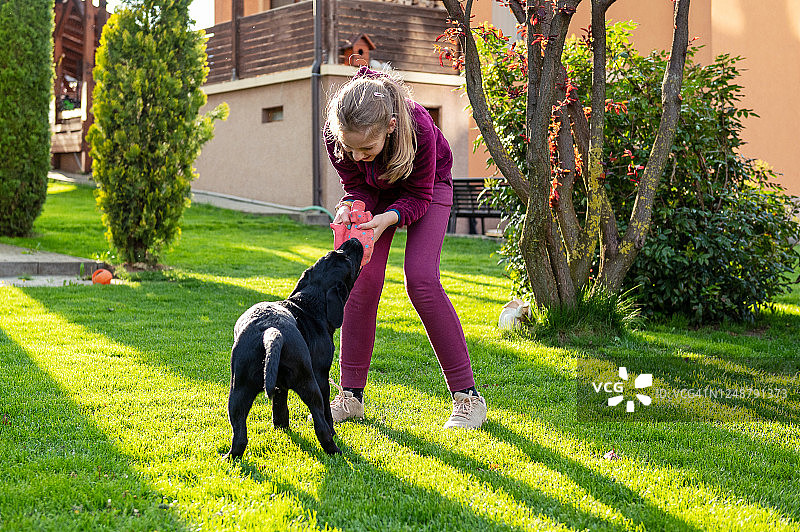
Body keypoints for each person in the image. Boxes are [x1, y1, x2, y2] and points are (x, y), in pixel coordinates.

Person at [324, 65, 487, 429]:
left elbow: (418, 196)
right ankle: (350, 397)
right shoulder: (340, 135)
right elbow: (356, 183)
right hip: (377, 193)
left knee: (421, 279)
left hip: (427, 187)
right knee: (361, 280)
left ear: (391, 127)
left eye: (366, 148)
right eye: (350, 148)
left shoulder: (419, 127)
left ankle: (468, 398)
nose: (357, 156)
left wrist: (389, 218)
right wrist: (349, 204)